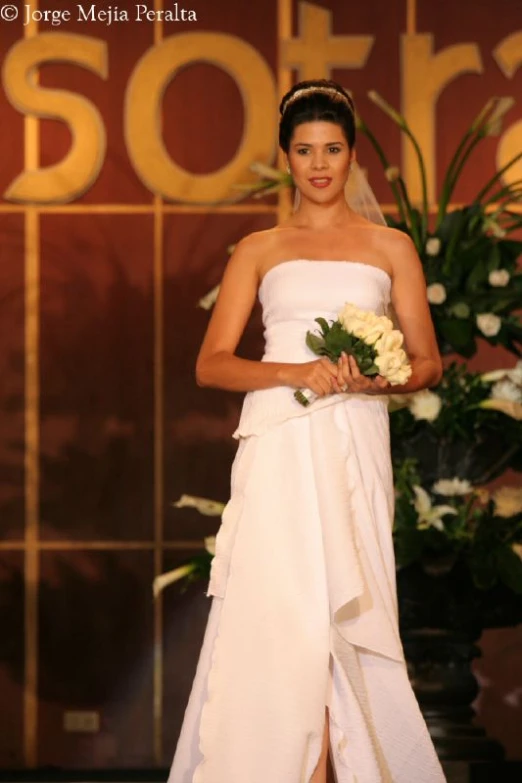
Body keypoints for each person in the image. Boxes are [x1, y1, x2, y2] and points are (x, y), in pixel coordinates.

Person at [168, 79, 446, 783]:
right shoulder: (259, 250)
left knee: (346, 615)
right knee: (282, 614)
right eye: (303, 150)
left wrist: (375, 377)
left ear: (352, 155)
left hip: (353, 438)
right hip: (280, 445)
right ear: (286, 158)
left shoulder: (392, 247)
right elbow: (211, 364)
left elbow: (428, 362)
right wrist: (298, 371)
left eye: (331, 148)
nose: (318, 163)